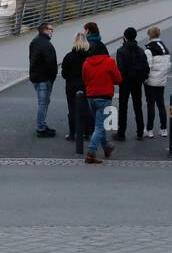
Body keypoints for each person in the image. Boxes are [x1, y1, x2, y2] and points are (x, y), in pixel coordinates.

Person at [81, 23, 121, 165]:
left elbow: (85, 79)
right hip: (104, 96)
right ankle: (91, 153)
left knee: (99, 123)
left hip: (91, 96)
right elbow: (118, 79)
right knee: (100, 126)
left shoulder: (86, 63)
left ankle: (106, 147)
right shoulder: (109, 61)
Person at [114, 26, 148, 141]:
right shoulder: (140, 50)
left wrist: (120, 80)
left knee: (123, 107)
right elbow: (145, 67)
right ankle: (140, 131)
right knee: (137, 106)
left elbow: (120, 68)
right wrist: (142, 78)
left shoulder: (121, 51)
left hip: (125, 82)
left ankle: (121, 132)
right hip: (137, 82)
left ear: (125, 37)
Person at [28, 22, 58, 138]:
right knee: (43, 103)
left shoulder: (34, 41)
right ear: (44, 30)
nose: (52, 31)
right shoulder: (46, 45)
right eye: (51, 29)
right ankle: (41, 127)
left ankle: (42, 124)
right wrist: (52, 78)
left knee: (44, 102)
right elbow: (51, 63)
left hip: (35, 76)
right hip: (44, 78)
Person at [143, 26, 172, 138]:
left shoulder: (149, 49)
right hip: (161, 80)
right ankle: (163, 128)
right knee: (161, 104)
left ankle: (149, 130)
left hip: (150, 81)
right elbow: (168, 65)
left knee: (151, 105)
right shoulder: (165, 48)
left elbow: (147, 66)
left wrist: (145, 79)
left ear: (149, 35)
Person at [61, 32, 90, 140]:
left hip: (71, 85)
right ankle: (86, 133)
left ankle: (72, 133)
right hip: (86, 85)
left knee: (72, 109)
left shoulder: (69, 56)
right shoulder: (89, 56)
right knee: (86, 108)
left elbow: (64, 74)